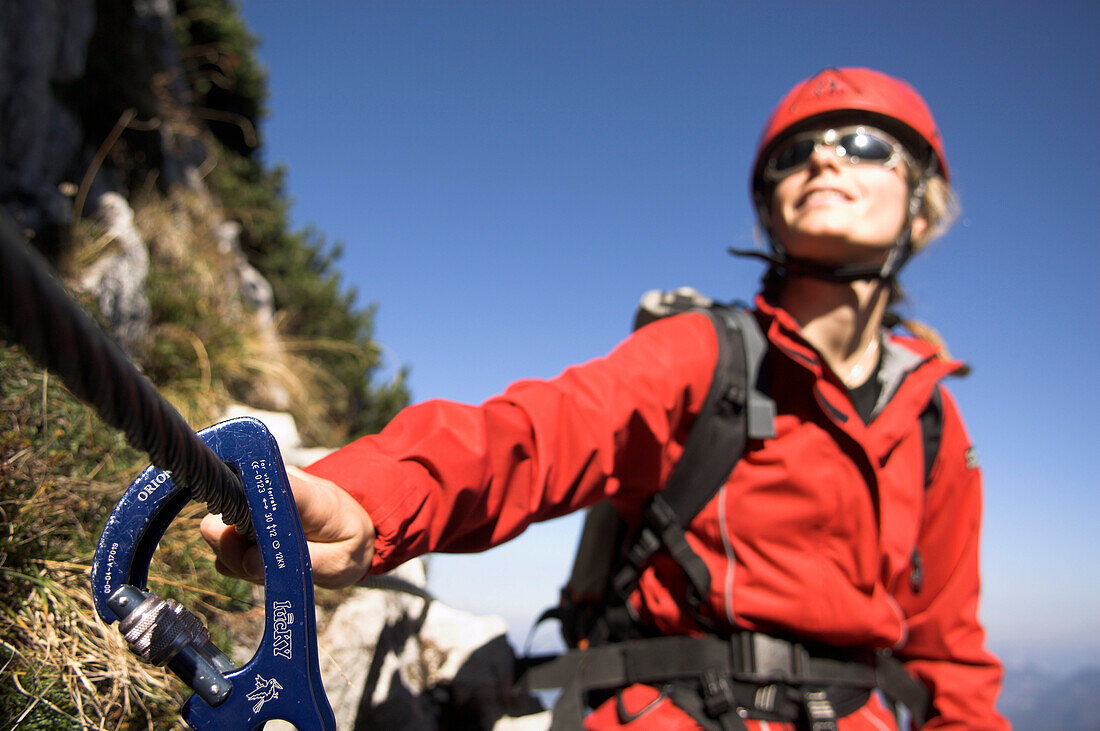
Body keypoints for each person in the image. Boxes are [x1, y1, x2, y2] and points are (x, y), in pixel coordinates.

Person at [202, 68, 1008, 729]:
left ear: (922, 200)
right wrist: (371, 497)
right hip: (675, 713)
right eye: (797, 153)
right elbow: (538, 434)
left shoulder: (933, 421)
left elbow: (950, 654)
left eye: (863, 144)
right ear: (769, 207)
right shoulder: (706, 352)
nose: (825, 160)